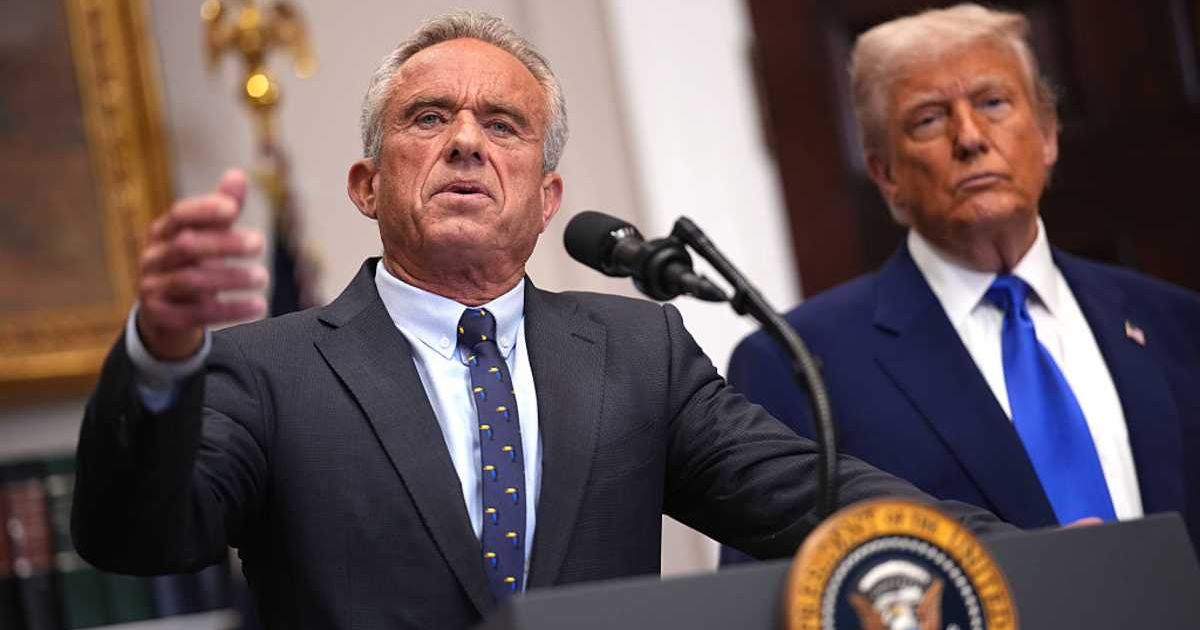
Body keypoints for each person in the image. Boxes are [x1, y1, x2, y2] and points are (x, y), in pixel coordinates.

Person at [70, 10, 1011, 630]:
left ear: (548, 193)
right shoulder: (265, 369)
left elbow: (807, 496)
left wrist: (1028, 553)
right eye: (428, 119)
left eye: (503, 125)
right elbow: (141, 541)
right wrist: (158, 358)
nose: (468, 142)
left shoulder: (638, 353)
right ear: (367, 184)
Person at [724, 3, 1200, 564]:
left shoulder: (1177, 323)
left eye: (993, 103)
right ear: (886, 174)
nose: (970, 137)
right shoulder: (798, 365)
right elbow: (772, 595)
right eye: (928, 119)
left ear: (1047, 136)